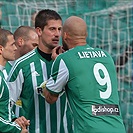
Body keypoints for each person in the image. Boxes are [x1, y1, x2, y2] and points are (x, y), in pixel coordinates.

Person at [40, 16, 126, 133]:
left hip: (90, 129)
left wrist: (56, 64)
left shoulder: (65, 60)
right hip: (118, 128)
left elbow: (50, 98)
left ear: (65, 35)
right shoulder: (106, 56)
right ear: (85, 35)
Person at [7, 9, 73, 133]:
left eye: (59, 29)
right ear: (39, 31)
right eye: (52, 29)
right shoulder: (22, 65)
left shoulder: (70, 62)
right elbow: (6, 104)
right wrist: (16, 120)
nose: (57, 34)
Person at [0, 28, 29, 133]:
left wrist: (14, 120)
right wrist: (16, 129)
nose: (16, 48)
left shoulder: (2, 74)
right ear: (1, 49)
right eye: (12, 45)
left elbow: (3, 110)